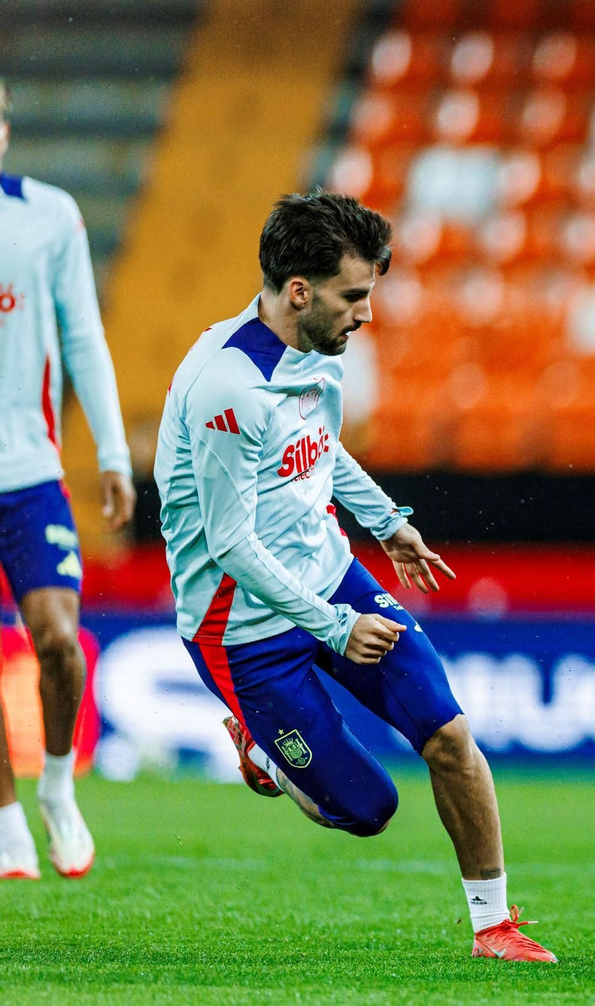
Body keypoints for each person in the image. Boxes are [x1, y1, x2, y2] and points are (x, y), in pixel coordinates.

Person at [154, 191, 554, 963]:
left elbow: (321, 450)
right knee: (369, 808)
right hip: (241, 629)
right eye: (355, 296)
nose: (366, 313)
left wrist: (387, 521)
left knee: (449, 734)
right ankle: (262, 744)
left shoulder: (313, 352)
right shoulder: (227, 386)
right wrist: (337, 628)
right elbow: (231, 545)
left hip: (332, 576)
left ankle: (493, 926)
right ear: (300, 291)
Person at [0, 76, 136, 881]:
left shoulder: (48, 216)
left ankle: (55, 786)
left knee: (58, 639)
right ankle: (6, 815)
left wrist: (113, 454)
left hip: (27, 471)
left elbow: (83, 335)